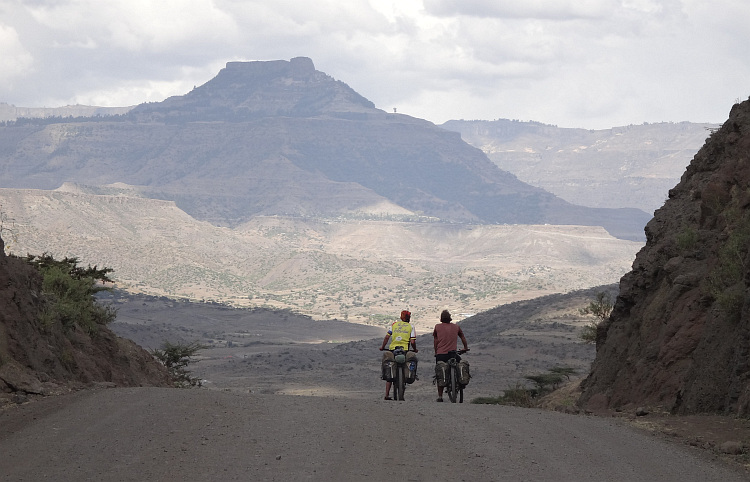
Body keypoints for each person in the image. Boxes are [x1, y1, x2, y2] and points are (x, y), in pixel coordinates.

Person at [379, 310, 418, 400]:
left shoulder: (394, 325)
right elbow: (412, 341)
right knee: (407, 364)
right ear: (409, 318)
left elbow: (387, 337)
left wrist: (382, 347)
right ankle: (403, 388)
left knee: (390, 366)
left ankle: (387, 394)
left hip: (393, 349)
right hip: (404, 350)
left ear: (401, 317)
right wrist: (415, 349)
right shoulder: (411, 326)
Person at [432, 309, 468, 402]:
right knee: (460, 364)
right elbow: (462, 337)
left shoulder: (437, 327)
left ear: (441, 318)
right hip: (453, 354)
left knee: (439, 373)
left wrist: (436, 351)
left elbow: (435, 340)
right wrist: (465, 347)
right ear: (450, 318)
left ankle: (440, 396)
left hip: (441, 354)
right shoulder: (456, 327)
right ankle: (460, 382)